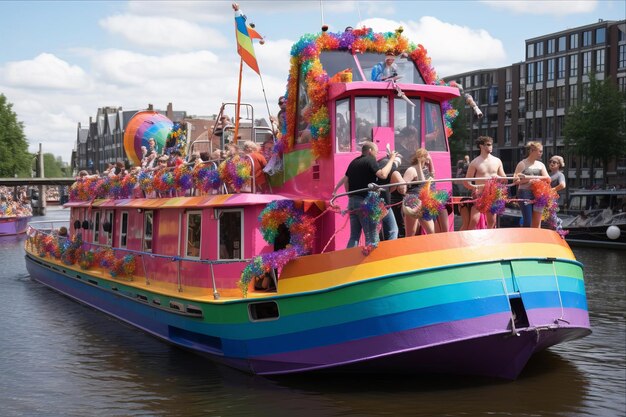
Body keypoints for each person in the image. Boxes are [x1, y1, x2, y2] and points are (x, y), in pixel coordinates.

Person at [333, 141, 398, 248]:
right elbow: (383, 174)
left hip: (352, 202)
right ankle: (371, 263)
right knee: (371, 237)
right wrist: (392, 159)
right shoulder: (370, 160)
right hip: (364, 202)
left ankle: (348, 262)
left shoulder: (353, 162)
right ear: (370, 151)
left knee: (354, 236)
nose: (376, 155)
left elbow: (345, 179)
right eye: (376, 153)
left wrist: (336, 189)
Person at [464, 136, 507, 229]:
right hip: (480, 193)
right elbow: (466, 182)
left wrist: (498, 177)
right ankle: (469, 239)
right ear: (481, 146)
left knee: (492, 221)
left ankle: (489, 240)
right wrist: (474, 188)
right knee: (474, 220)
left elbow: (504, 178)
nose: (491, 146)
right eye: (488, 145)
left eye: (491, 144)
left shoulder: (497, 161)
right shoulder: (475, 162)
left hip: (493, 193)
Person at [513, 141, 551, 228]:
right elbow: (515, 181)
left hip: (538, 194)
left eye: (541, 151)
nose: (541, 153)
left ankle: (536, 240)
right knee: (528, 221)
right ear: (532, 151)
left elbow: (548, 179)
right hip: (524, 193)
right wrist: (529, 180)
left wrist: (531, 178)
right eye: (539, 151)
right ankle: (525, 239)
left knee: (537, 222)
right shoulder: (522, 164)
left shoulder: (541, 165)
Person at [403, 149, 436, 236]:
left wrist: (431, 161)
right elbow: (402, 187)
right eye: (427, 156)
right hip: (413, 202)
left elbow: (433, 175)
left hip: (424, 203)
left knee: (431, 232)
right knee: (411, 233)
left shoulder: (426, 169)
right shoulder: (412, 170)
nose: (429, 159)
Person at [376, 155, 404, 241]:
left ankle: (373, 251)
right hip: (384, 203)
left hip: (373, 200)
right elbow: (401, 186)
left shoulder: (377, 165)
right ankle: (391, 252)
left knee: (375, 230)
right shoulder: (393, 167)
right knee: (393, 230)